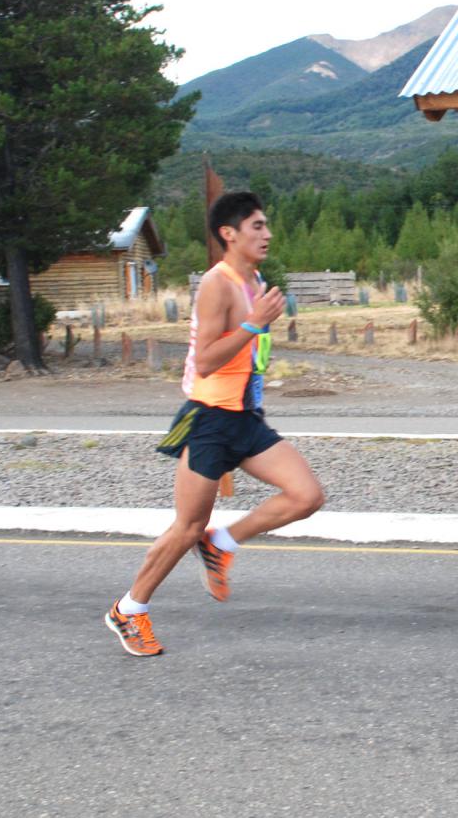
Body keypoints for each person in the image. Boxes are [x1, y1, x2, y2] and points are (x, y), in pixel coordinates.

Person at [105, 191, 326, 657]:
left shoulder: (255, 281)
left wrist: (259, 325)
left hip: (246, 419)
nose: (267, 234)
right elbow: (204, 361)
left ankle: (222, 543)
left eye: (266, 225)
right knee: (186, 527)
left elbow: (248, 353)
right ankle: (129, 609)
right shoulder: (217, 284)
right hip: (210, 420)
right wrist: (253, 324)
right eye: (257, 226)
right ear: (230, 234)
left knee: (306, 496)